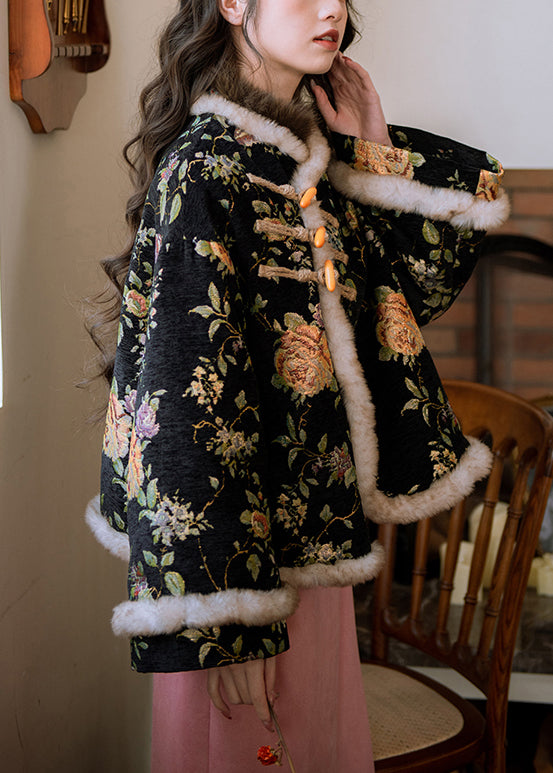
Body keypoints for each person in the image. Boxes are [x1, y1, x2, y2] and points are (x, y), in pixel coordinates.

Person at [85, 0, 509, 770]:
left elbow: (410, 297)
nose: (330, 9)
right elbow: (185, 406)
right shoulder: (207, 168)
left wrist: (373, 144)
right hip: (236, 578)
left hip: (313, 555)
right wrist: (226, 625)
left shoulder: (301, 160)